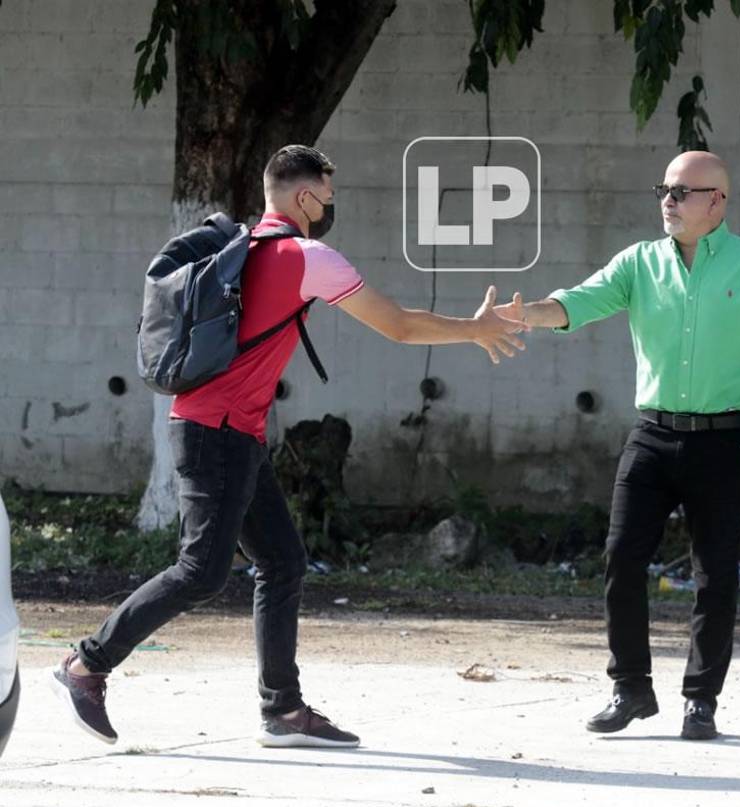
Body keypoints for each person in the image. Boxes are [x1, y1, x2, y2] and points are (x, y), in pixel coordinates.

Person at [50, 145, 527, 748]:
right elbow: (400, 326)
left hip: (231, 432)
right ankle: (86, 664)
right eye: (327, 196)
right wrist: (475, 329)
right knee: (201, 571)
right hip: (216, 431)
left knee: (281, 560)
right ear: (304, 197)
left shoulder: (242, 247)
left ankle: (283, 711)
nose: (330, 207)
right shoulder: (308, 257)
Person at [499, 151, 740, 739]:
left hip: (726, 441)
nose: (668, 200)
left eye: (682, 191)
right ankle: (631, 690)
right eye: (664, 189)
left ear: (716, 201)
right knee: (621, 557)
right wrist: (523, 316)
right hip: (652, 434)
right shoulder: (639, 264)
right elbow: (579, 301)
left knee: (715, 572)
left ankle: (701, 701)